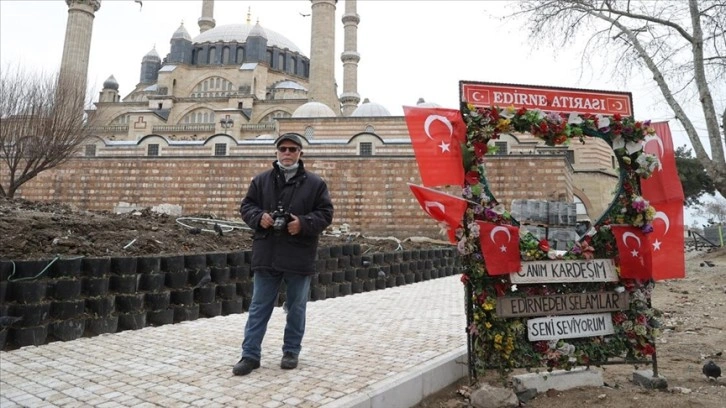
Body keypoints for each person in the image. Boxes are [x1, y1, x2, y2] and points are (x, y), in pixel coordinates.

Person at [233, 133, 334, 376]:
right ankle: (250, 355)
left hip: (299, 255)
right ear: (277, 152)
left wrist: (303, 223)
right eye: (283, 149)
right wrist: (260, 218)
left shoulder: (315, 184)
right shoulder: (261, 181)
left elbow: (325, 214)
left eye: (292, 149)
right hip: (267, 254)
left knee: (296, 307)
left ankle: (291, 351)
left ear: (300, 153)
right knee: (259, 306)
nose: (287, 153)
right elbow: (247, 207)